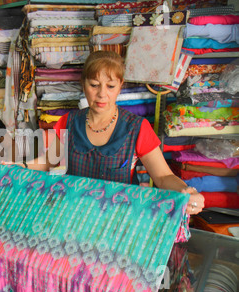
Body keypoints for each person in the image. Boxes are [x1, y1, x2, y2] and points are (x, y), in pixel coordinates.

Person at [20, 51, 204, 215]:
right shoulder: (68, 122)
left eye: (110, 86)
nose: (102, 94)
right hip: (75, 215)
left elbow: (163, 177)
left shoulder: (136, 128)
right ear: (83, 84)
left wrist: (186, 191)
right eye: (94, 85)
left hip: (118, 221)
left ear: (120, 86)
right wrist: (18, 167)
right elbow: (47, 162)